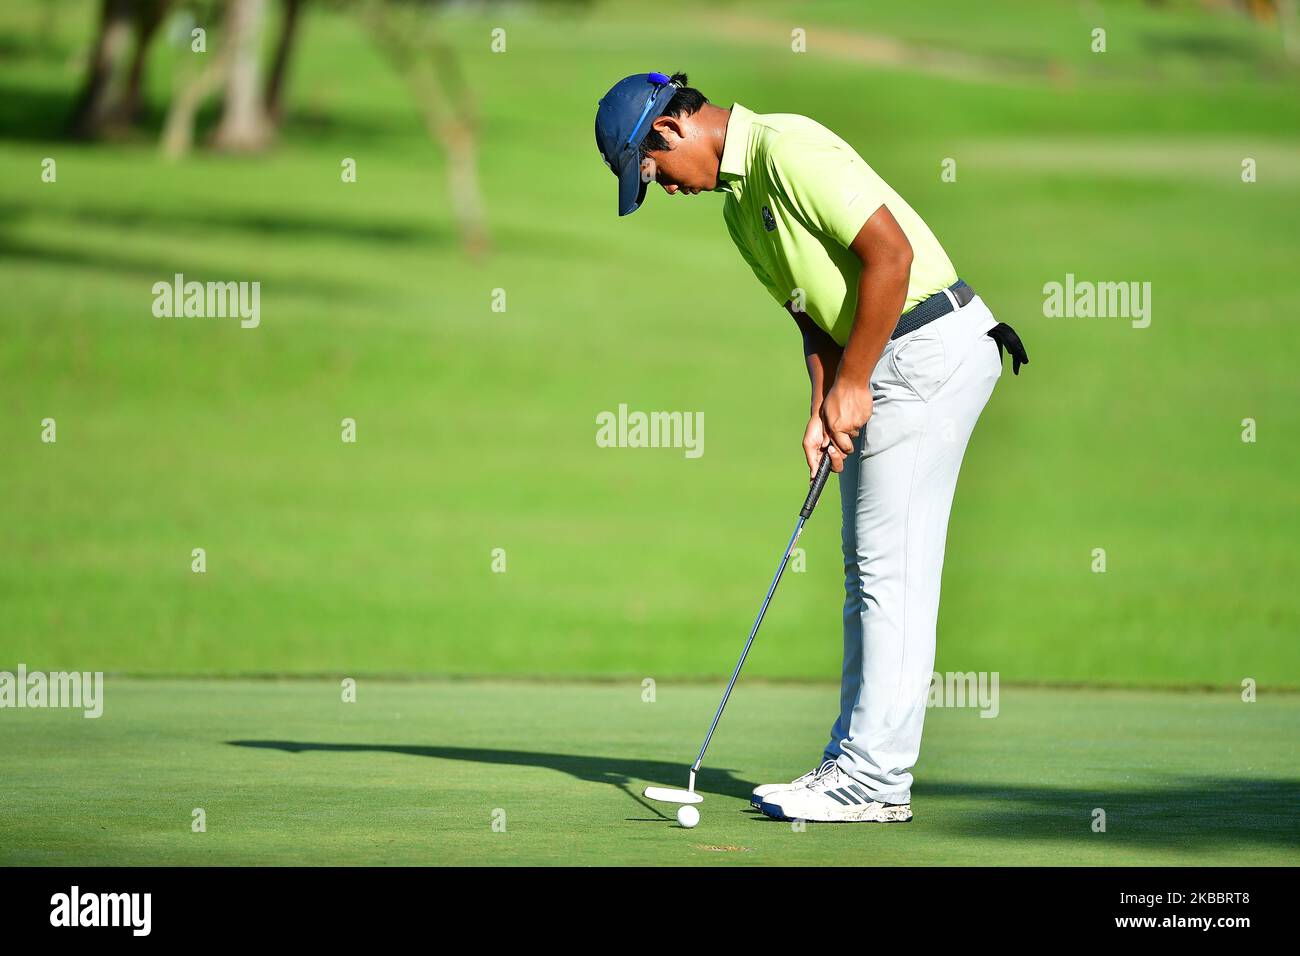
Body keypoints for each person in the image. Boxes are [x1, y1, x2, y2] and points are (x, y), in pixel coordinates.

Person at [595, 72, 1027, 822]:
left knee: (891, 574)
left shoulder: (789, 147)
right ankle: (855, 766)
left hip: (928, 348)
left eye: (654, 174)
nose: (665, 188)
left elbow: (887, 258)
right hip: (885, 358)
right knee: (868, 572)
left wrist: (855, 381)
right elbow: (812, 319)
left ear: (667, 133)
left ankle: (875, 779)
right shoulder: (739, 211)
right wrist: (824, 400)